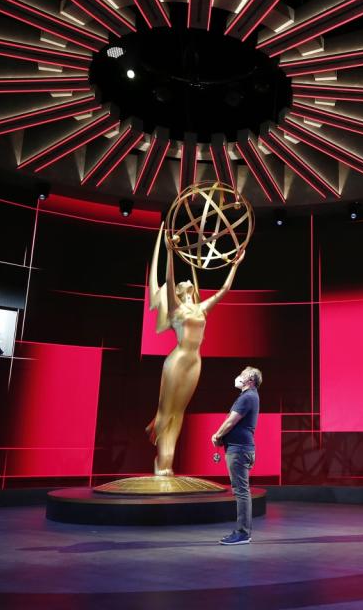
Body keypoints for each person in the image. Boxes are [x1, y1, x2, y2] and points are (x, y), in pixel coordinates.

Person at [146, 222, 243, 476]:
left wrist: (234, 265)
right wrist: (169, 252)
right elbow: (168, 279)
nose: (188, 282)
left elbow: (224, 290)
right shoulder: (176, 306)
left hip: (195, 362)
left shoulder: (202, 309)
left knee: (179, 412)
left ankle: (166, 462)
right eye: (183, 283)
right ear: (179, 291)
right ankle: (161, 460)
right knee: (167, 412)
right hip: (176, 361)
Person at [211, 366, 262, 546]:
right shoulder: (250, 396)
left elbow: (230, 421)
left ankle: (242, 533)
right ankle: (243, 532)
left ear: (250, 380)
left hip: (239, 450)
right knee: (242, 490)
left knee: (241, 491)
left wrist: (217, 435)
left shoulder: (247, 397)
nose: (238, 377)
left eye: (242, 375)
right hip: (242, 449)